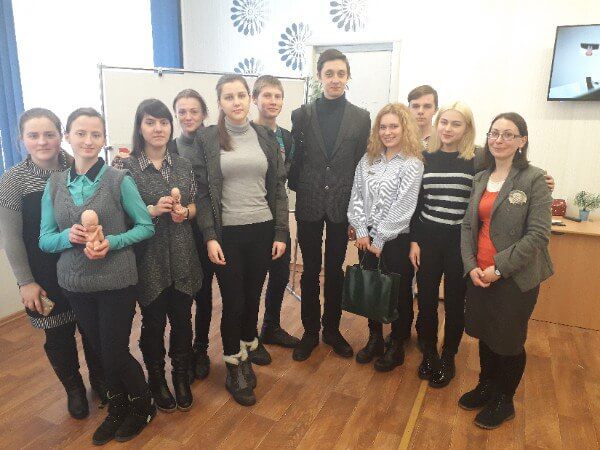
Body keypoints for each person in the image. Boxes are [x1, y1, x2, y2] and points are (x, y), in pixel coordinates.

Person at [39, 108, 156, 445]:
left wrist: (112, 242)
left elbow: (146, 226)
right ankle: (117, 407)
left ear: (104, 139)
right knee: (100, 352)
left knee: (114, 352)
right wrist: (68, 237)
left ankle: (143, 405)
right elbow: (45, 239)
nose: (88, 141)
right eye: (81, 133)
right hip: (76, 284)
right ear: (67, 137)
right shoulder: (55, 184)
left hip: (116, 281)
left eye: (95, 134)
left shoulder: (119, 180)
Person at [0, 108, 106, 420]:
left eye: (49, 134)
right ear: (21, 140)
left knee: (92, 331)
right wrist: (25, 282)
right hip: (43, 274)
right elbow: (11, 238)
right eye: (33, 135)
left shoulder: (79, 166)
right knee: (58, 336)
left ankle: (101, 382)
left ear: (61, 135)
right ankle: (74, 390)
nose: (42, 141)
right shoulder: (12, 180)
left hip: (84, 267)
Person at [191, 74, 289, 406]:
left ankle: (247, 348)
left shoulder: (264, 136)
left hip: (262, 229)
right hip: (227, 235)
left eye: (241, 95)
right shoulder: (207, 139)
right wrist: (209, 236)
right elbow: (202, 194)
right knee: (233, 302)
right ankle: (233, 364)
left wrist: (280, 232)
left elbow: (278, 188)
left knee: (251, 297)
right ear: (219, 102)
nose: (236, 102)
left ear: (250, 99)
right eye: (229, 97)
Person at [459, 112, 553, 429]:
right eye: (494, 133)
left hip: (514, 277)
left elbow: (538, 235)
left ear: (521, 141)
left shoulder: (534, 179)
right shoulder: (480, 177)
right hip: (479, 273)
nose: (499, 140)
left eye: (508, 134)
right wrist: (471, 266)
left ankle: (504, 399)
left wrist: (498, 269)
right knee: (486, 334)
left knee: (508, 340)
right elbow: (468, 227)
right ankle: (486, 386)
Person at [113, 99, 202, 413]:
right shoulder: (124, 169)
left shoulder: (182, 165)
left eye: (164, 122)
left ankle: (180, 376)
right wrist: (150, 211)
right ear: (140, 127)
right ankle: (156, 378)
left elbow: (195, 205)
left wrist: (184, 212)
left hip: (182, 255)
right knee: (153, 324)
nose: (158, 128)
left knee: (182, 321)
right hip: (148, 259)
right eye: (150, 122)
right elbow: (117, 218)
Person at [290, 48, 371, 362]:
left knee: (335, 270)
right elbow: (296, 160)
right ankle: (310, 332)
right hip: (309, 203)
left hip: (342, 205)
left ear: (348, 77)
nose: (335, 79)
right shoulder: (302, 115)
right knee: (310, 270)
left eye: (340, 73)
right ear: (319, 77)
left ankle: (332, 330)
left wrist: (358, 212)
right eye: (329, 74)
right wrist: (300, 187)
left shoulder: (361, 117)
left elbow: (362, 165)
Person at [409, 102, 481, 388]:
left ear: (467, 129)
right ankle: (428, 351)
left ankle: (448, 354)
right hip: (428, 238)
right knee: (426, 299)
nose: (448, 128)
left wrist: (544, 179)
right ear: (437, 125)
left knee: (454, 303)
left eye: (456, 124)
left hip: (459, 243)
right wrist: (414, 239)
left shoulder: (477, 160)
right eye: (444, 122)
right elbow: (416, 203)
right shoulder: (424, 158)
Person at [348, 103, 423, 371]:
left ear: (405, 128)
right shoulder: (368, 160)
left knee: (398, 293)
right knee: (372, 289)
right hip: (366, 239)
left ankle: (397, 344)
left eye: (393, 126)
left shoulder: (413, 164)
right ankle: (375, 339)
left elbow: (404, 206)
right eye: (383, 127)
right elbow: (356, 195)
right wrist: (361, 230)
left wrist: (380, 239)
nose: (388, 132)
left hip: (395, 240)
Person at [252, 75, 300, 352]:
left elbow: (285, 176)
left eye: (277, 96)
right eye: (267, 95)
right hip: (251, 216)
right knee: (253, 279)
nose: (273, 101)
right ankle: (249, 336)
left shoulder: (287, 137)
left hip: (278, 215)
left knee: (280, 274)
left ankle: (271, 326)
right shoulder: (245, 133)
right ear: (255, 99)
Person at [172, 89, 214, 381]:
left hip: (208, 230)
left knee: (204, 293)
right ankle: (183, 353)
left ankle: (201, 349)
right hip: (180, 232)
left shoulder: (215, 144)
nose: (188, 117)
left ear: (204, 113)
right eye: (182, 112)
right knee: (183, 296)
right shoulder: (170, 147)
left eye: (194, 111)